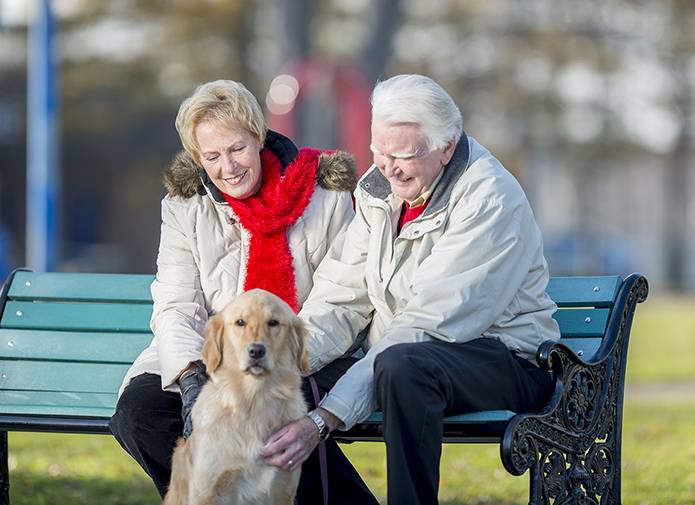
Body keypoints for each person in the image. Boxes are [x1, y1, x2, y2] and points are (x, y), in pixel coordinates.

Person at [259, 74, 561, 505]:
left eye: (402, 154)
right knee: (285, 385)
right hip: (401, 354)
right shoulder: (378, 190)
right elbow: (340, 296)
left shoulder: (490, 198)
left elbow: (429, 324)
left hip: (503, 358)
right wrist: (288, 358)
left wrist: (325, 419)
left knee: (404, 368)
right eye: (378, 151)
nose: (387, 167)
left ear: (447, 147)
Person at [108, 79, 375, 500]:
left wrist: (275, 358)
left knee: (266, 403)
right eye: (211, 156)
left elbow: (343, 299)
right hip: (212, 354)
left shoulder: (326, 195)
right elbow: (176, 305)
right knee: (139, 415)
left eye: (236, 149)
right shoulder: (184, 206)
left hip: (306, 352)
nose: (227, 167)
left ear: (258, 137)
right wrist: (193, 377)